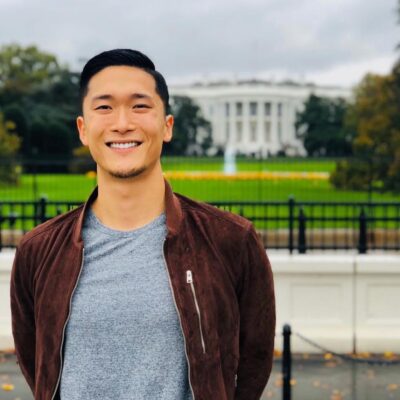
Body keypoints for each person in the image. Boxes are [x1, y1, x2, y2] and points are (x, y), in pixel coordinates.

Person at [10, 49, 275, 400]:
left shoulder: (230, 241)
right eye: (104, 107)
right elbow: (38, 365)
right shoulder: (39, 251)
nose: (122, 123)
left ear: (167, 127)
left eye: (140, 105)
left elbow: (254, 362)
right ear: (83, 129)